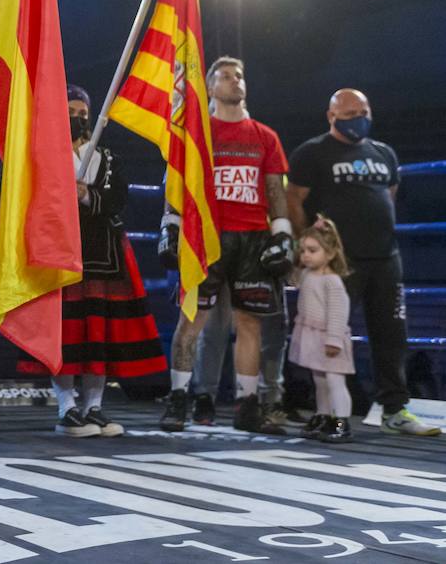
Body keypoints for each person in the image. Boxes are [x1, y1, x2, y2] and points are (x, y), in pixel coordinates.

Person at [287, 89, 439, 436]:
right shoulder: (312, 153)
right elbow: (294, 200)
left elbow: (388, 196)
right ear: (331, 116)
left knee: (392, 335)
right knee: (329, 335)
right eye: (350, 111)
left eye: (363, 110)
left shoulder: (384, 152)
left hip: (385, 257)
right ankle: (327, 411)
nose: (358, 117)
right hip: (338, 263)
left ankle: (395, 409)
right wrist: (306, 246)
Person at [160, 57, 293, 435]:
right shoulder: (196, 134)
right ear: (209, 86)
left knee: (250, 323)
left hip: (252, 237)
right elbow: (177, 183)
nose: (235, 81)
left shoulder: (266, 136)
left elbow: (274, 191)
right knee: (191, 320)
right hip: (207, 236)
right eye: (226, 76)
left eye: (240, 75)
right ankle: (179, 399)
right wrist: (170, 224)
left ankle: (247, 405)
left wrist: (281, 233)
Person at [51, 86, 167, 437]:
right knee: (65, 332)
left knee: (99, 332)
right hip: (60, 251)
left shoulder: (109, 157)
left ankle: (94, 405)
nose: (78, 118)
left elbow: (119, 199)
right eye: (70, 111)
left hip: (104, 252)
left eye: (83, 112)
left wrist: (87, 194)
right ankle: (65, 407)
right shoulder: (45, 152)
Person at [290, 216, 355, 444]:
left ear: (330, 253)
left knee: (335, 381)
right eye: (303, 250)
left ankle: (342, 421)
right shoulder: (307, 274)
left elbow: (338, 313)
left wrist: (334, 340)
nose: (305, 255)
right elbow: (295, 279)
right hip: (313, 337)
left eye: (312, 250)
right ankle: (323, 415)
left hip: (329, 338)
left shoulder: (332, 282)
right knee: (320, 381)